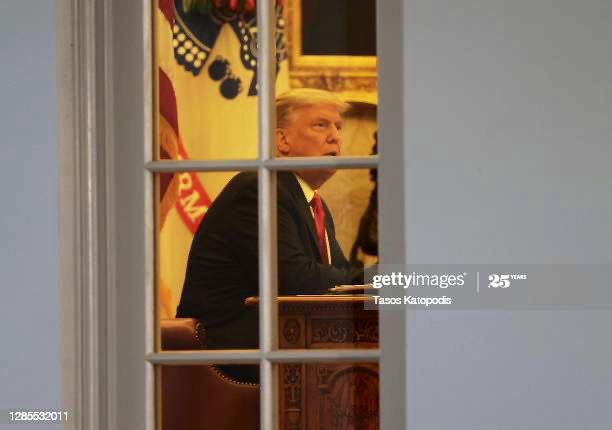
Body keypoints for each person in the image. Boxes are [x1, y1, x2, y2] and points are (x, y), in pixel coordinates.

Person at [176, 88, 364, 382]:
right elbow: (297, 281)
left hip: (286, 347)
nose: (335, 137)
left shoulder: (313, 203)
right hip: (234, 360)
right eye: (321, 125)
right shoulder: (258, 189)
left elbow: (337, 278)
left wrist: (359, 282)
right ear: (282, 140)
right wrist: (372, 280)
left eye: (338, 127)